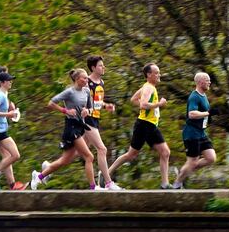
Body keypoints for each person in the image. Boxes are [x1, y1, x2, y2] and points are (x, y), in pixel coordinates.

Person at [30, 69, 98, 190]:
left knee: (65, 161)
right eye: (85, 78)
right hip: (71, 127)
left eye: (87, 78)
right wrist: (65, 110)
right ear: (77, 79)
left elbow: (91, 108)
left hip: (80, 126)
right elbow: (50, 103)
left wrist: (87, 111)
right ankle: (93, 187)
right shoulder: (69, 92)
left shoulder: (87, 91)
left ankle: (39, 176)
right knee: (89, 157)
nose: (87, 80)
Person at [107, 63, 171, 188]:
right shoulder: (149, 88)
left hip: (143, 124)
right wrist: (159, 104)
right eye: (156, 72)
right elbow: (143, 105)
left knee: (131, 155)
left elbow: (133, 99)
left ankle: (106, 174)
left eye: (159, 72)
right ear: (149, 74)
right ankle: (165, 184)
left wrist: (149, 108)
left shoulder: (147, 87)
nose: (159, 75)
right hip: (147, 124)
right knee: (165, 152)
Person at [173, 72, 217, 189]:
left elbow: (203, 114)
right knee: (192, 161)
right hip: (192, 133)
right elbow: (191, 114)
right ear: (200, 82)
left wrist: (209, 117)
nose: (209, 82)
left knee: (211, 158)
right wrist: (208, 113)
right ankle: (177, 183)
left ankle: (183, 171)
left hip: (201, 133)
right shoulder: (194, 96)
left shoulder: (204, 96)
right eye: (207, 80)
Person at [84, 56, 122, 190]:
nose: (103, 67)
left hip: (95, 118)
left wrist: (107, 106)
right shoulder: (87, 82)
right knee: (102, 149)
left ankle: (45, 170)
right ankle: (108, 182)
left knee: (76, 153)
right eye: (100, 65)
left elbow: (97, 102)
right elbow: (82, 100)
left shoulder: (101, 82)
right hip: (86, 119)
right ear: (93, 68)